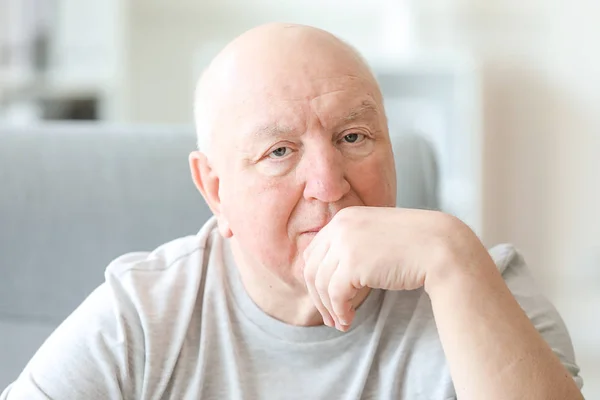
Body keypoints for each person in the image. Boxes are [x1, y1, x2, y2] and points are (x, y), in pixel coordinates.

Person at [1, 23, 583, 400]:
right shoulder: (142, 318)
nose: (328, 186)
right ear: (214, 189)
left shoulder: (481, 286)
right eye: (279, 152)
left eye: (354, 137)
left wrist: (455, 256)